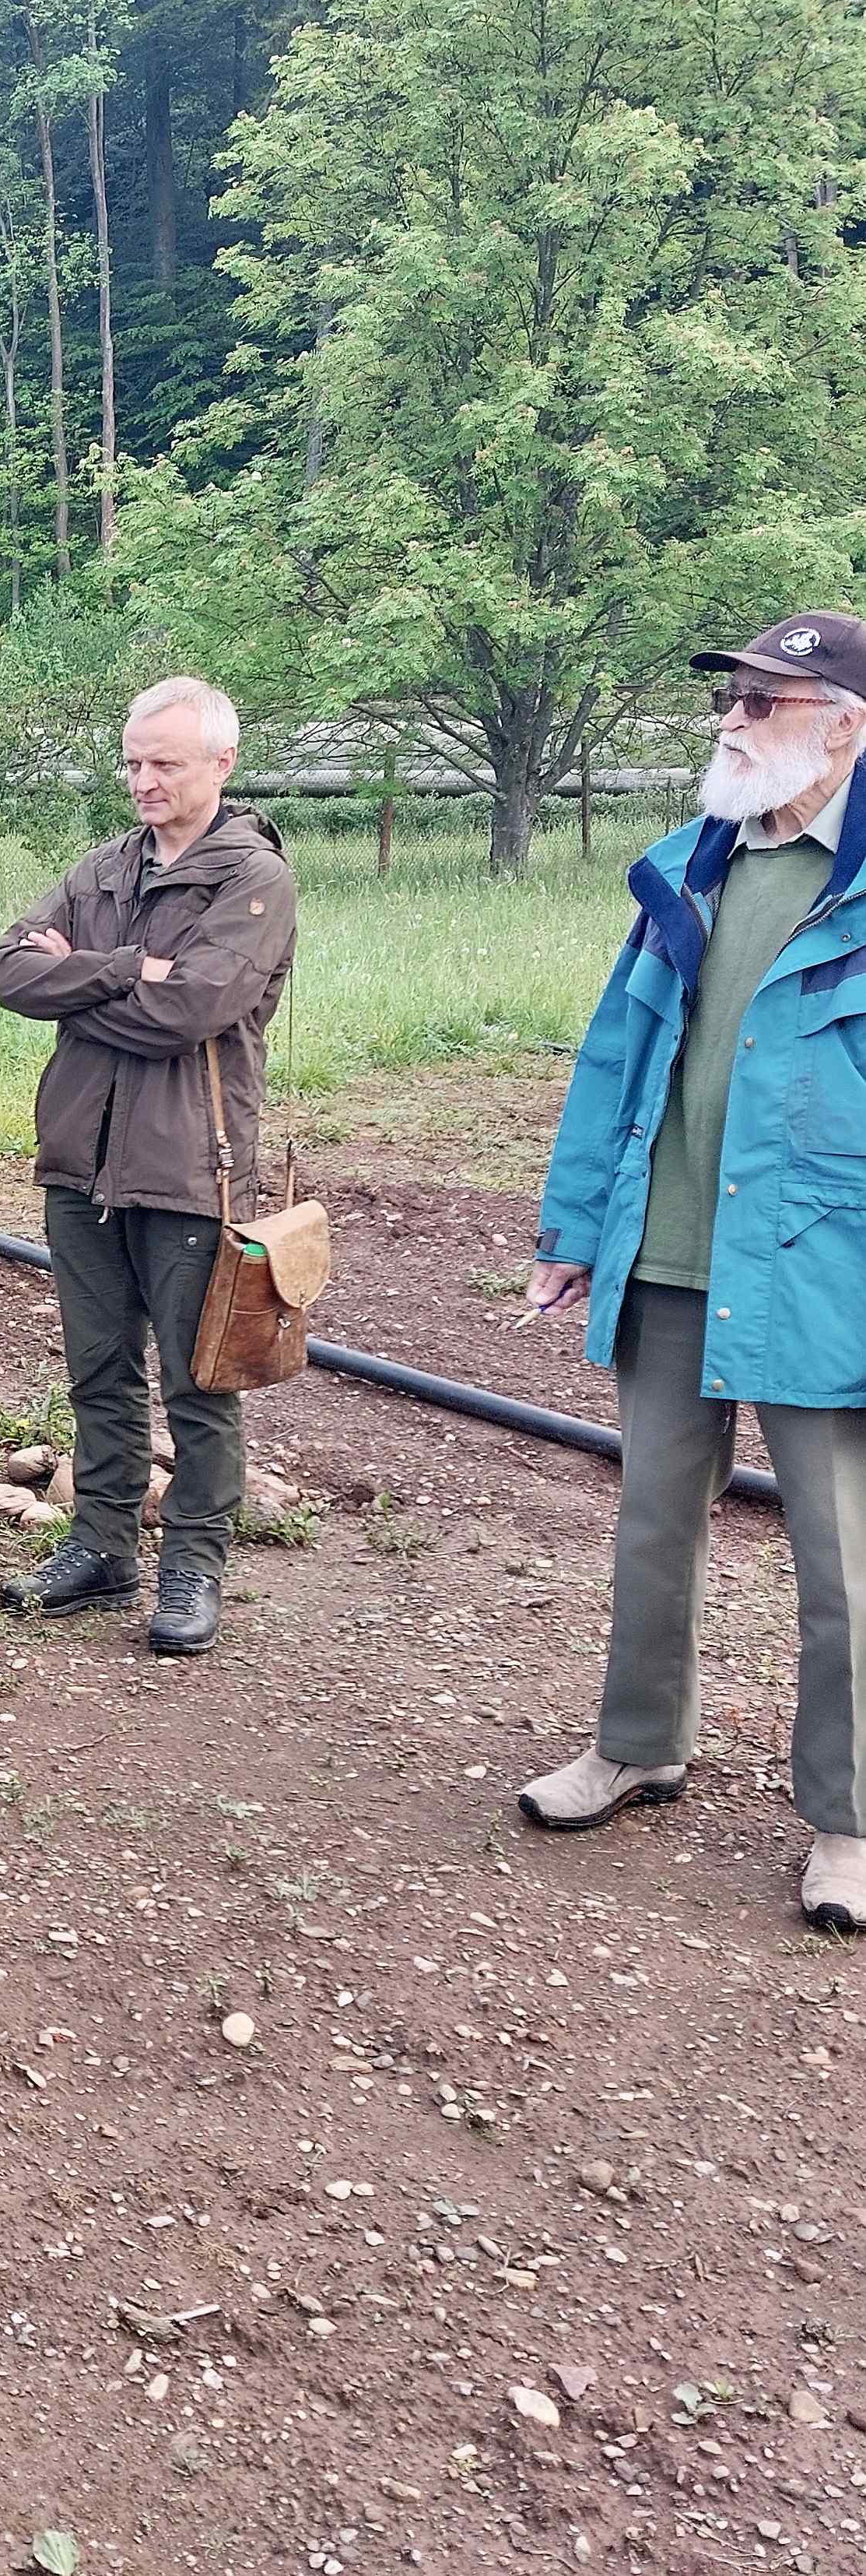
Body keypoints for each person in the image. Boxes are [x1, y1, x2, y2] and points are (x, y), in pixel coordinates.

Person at [518, 612, 866, 1938]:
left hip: (826, 1268)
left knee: (840, 1560)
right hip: (667, 1249)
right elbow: (613, 1055)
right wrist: (570, 1228)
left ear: (846, 726)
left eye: (764, 702)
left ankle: (848, 1820)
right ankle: (635, 1743)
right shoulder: (687, 869)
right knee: (653, 1521)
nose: (731, 719)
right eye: (731, 697)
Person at [0, 675, 296, 1656]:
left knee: (200, 1382)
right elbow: (11, 971)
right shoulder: (104, 867)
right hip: (80, 1162)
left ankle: (194, 1566)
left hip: (192, 1169)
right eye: (132, 762)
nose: (143, 780)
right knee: (99, 1368)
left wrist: (78, 979)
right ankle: (102, 1548)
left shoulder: (252, 880)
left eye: (164, 762)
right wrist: (128, 967)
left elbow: (192, 1011)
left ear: (222, 763)